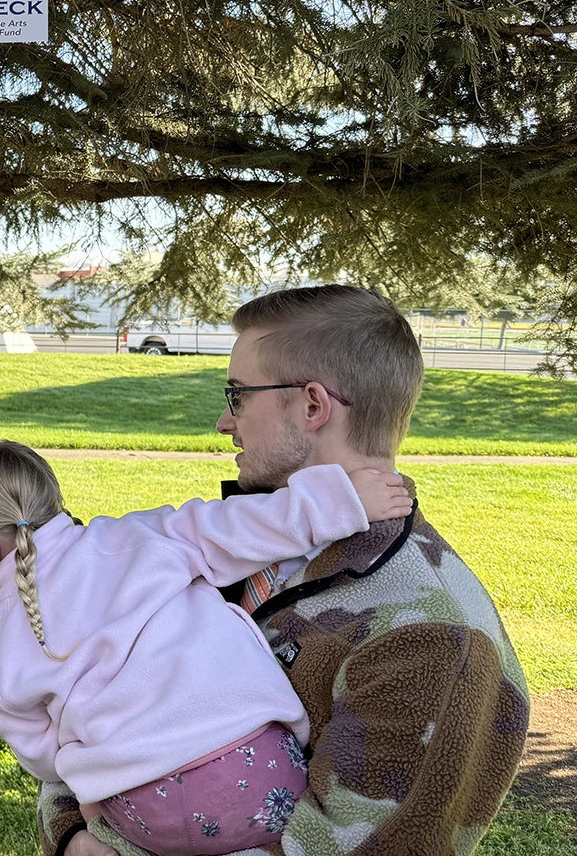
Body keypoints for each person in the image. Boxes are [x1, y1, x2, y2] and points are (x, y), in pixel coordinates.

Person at [51, 284, 530, 856]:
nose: (224, 422)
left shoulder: (430, 638)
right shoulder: (229, 547)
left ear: (311, 406)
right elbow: (90, 693)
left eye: (237, 395)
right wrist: (72, 833)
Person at [0, 441, 412, 856]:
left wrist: (85, 771)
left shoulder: (9, 637)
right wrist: (344, 500)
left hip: (142, 812)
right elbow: (238, 525)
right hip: (263, 777)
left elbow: (36, 749)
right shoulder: (138, 537)